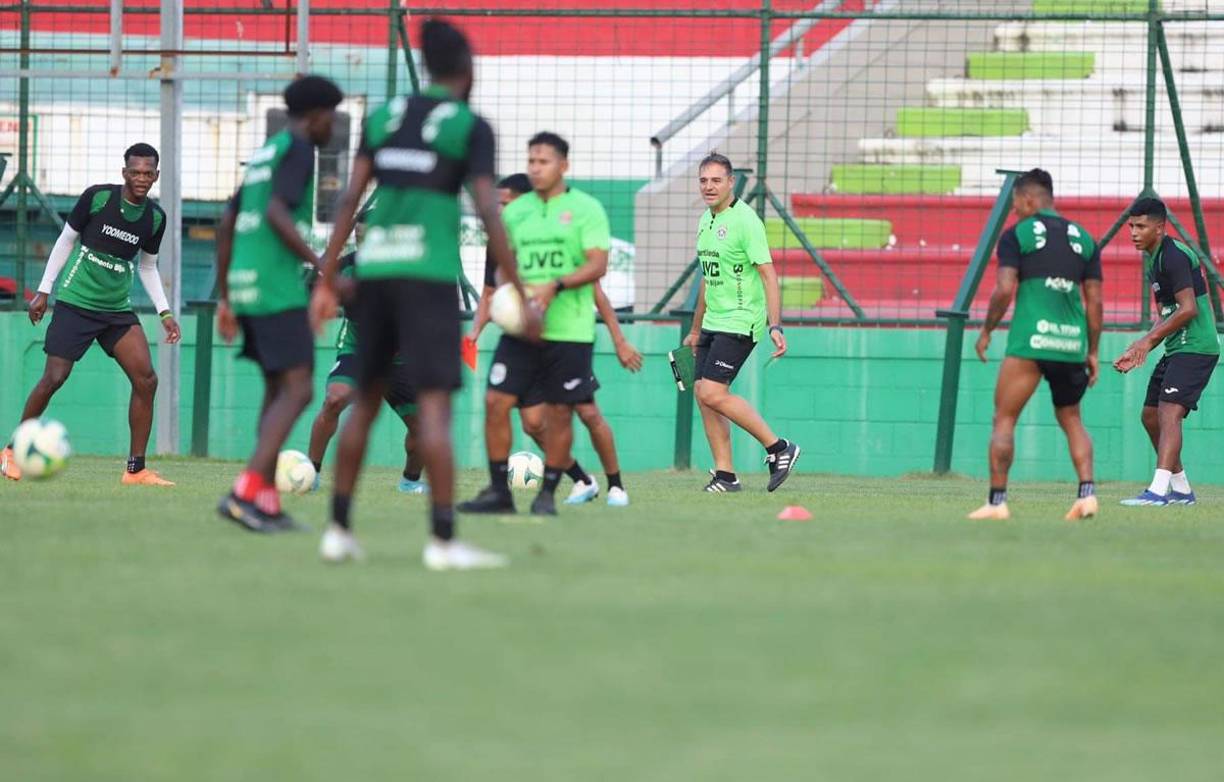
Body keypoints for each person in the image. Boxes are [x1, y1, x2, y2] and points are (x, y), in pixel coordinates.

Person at [309, 19, 535, 569]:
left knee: (361, 405)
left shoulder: (384, 116)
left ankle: (338, 531)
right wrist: (520, 293)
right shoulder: (468, 125)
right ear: (467, 69)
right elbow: (487, 212)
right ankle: (442, 541)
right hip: (427, 283)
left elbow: (347, 201)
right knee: (433, 411)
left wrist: (324, 280)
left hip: (375, 279)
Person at [1, 143, 178, 486]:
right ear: (124, 172)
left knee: (147, 380)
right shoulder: (97, 199)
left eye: (148, 173)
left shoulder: (155, 218)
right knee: (54, 377)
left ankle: (136, 470)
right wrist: (44, 290)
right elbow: (66, 241)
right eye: (135, 172)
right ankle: (10, 451)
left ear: (156, 175)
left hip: (116, 310)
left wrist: (165, 312)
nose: (141, 179)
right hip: (76, 302)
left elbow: (148, 266)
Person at [458, 131, 614, 517]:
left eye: (543, 161)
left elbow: (598, 264)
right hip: (521, 329)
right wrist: (508, 300)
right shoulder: (514, 213)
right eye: (531, 161)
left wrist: (555, 285)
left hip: (569, 330)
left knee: (560, 413)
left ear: (564, 165)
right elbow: (500, 270)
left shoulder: (586, 208)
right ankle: (499, 493)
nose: (536, 168)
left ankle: (546, 495)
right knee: (496, 401)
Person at [214, 74, 343, 532]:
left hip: (247, 286)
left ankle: (264, 501)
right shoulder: (299, 148)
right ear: (317, 115)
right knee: (300, 389)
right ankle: (244, 491)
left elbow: (228, 223)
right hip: (275, 287)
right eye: (334, 116)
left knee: (275, 392)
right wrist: (321, 264)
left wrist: (227, 296)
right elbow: (275, 213)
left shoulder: (265, 154)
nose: (335, 126)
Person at [470, 173, 642, 506]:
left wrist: (619, 340)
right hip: (524, 341)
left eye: (506, 202)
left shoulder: (558, 232)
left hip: (566, 335)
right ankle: (581, 480)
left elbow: (598, 294)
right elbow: (491, 293)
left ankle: (616, 485)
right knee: (534, 424)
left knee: (587, 413)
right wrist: (475, 331)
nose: (502, 209)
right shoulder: (504, 240)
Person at [970, 168, 1103, 521]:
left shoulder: (1017, 235)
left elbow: (1003, 289)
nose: (1014, 211)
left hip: (1031, 340)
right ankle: (1087, 495)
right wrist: (1092, 350)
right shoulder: (1085, 238)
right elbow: (1095, 301)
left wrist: (986, 331)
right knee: (1072, 418)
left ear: (1028, 199)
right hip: (1072, 343)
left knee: (1004, 418)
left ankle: (997, 503)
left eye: (1015, 204)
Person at [683, 152, 799, 493]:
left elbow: (768, 274)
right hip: (713, 321)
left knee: (713, 391)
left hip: (741, 319)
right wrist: (693, 329)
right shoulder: (705, 220)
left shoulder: (746, 220)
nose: (709, 186)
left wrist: (775, 325)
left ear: (730, 182)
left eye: (716, 180)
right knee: (703, 396)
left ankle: (779, 448)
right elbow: (707, 277)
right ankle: (726, 475)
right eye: (704, 180)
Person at [306, 212, 426, 495]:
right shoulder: (346, 269)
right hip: (357, 349)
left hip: (400, 358)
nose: (363, 243)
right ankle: (311, 473)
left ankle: (410, 482)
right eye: (358, 237)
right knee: (334, 399)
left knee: (424, 428)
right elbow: (314, 288)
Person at [1114, 197, 1219, 506]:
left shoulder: (1173, 256)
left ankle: (1158, 492)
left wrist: (1147, 342)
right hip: (1177, 347)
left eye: (1141, 226)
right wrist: (1140, 346)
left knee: (1169, 412)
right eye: (1131, 225)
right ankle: (1182, 490)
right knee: (1150, 416)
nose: (1133, 232)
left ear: (1159, 228)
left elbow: (1188, 310)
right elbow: (1167, 314)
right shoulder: (1155, 260)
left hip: (1196, 347)